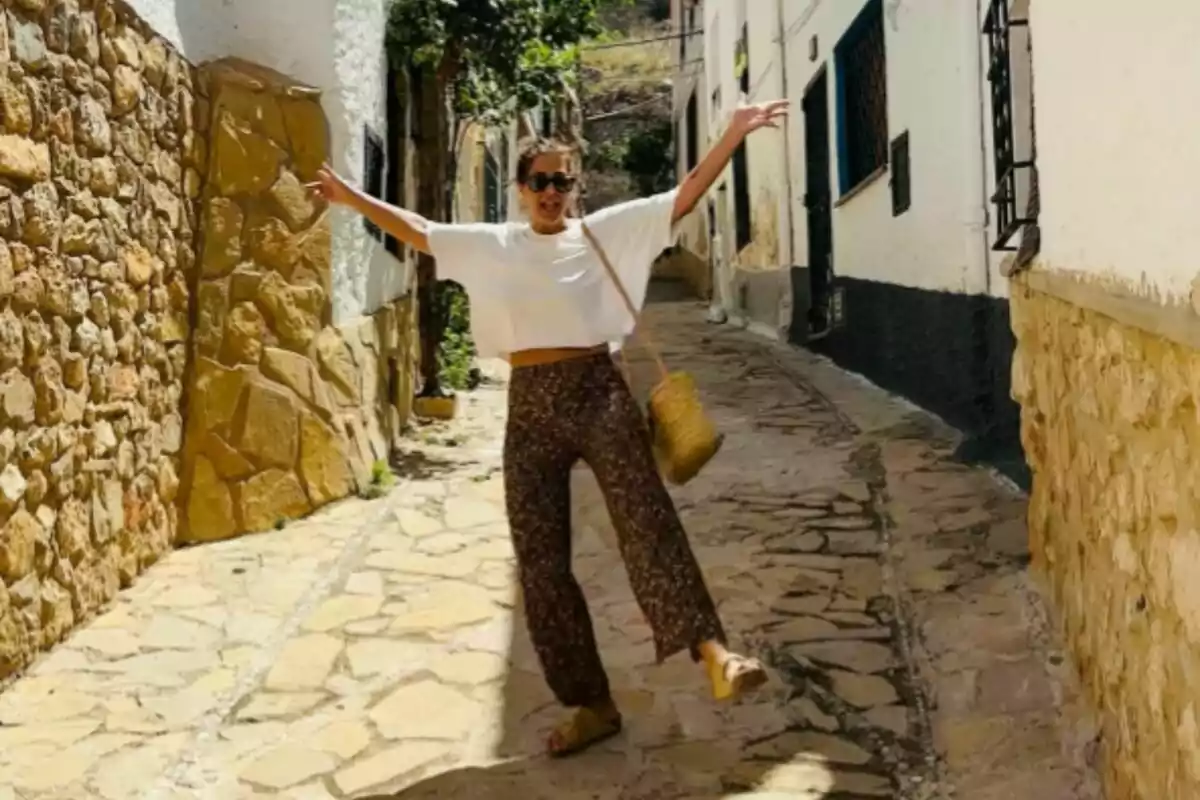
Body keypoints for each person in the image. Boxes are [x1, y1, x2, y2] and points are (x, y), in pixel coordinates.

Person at [309, 99, 790, 757]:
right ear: (520, 187)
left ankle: (715, 654)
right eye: (540, 180)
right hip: (530, 405)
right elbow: (420, 229)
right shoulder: (497, 245)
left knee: (645, 520)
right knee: (540, 564)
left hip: (598, 392)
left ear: (575, 187)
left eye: (563, 180)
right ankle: (592, 705)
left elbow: (682, 197)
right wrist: (349, 197)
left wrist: (732, 133)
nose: (551, 192)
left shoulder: (602, 233)